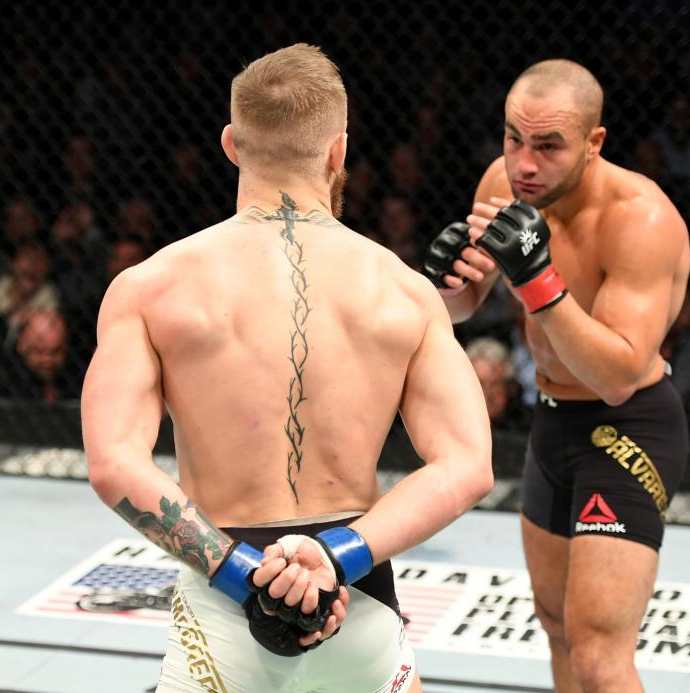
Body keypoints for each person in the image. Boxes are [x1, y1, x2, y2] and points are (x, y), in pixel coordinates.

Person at [81, 44, 492, 693]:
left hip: (221, 598)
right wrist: (333, 557)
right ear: (338, 151)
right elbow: (467, 464)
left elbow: (113, 462)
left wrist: (246, 575)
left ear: (230, 143)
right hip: (358, 598)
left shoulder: (151, 287)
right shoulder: (404, 290)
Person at [424, 59, 690, 692]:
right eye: (514, 138)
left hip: (627, 427)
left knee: (600, 653)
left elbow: (619, 375)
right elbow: (464, 306)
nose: (524, 164)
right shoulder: (504, 181)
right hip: (552, 421)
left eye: (548, 146)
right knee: (557, 627)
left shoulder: (640, 219)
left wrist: (538, 280)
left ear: (594, 144)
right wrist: (449, 287)